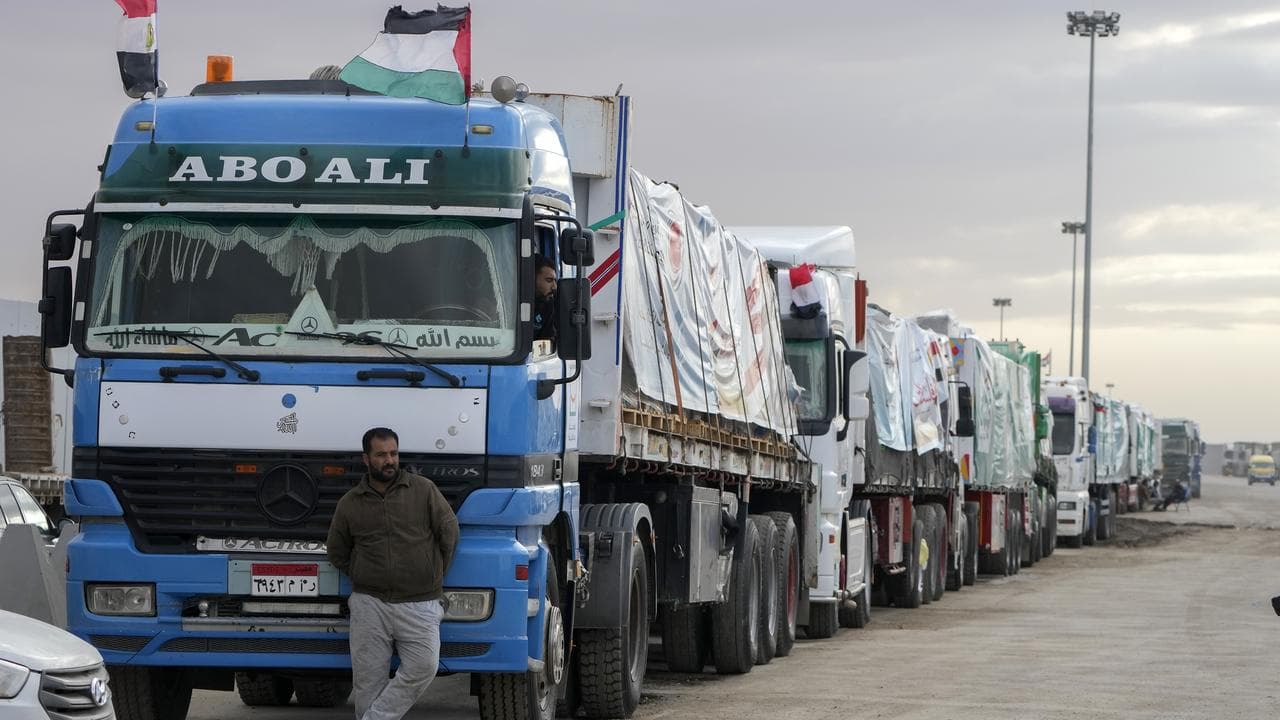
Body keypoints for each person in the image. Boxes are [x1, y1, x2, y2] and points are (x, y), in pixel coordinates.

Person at [327, 427, 460, 720]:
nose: (389, 460)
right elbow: (337, 551)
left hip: (420, 602)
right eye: (381, 455)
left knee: (425, 665)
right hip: (370, 604)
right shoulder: (350, 503)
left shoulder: (424, 490)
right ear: (366, 458)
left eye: (393, 453)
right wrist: (364, 572)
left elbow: (449, 532)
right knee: (368, 683)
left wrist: (431, 572)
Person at [533, 254, 558, 342]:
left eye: (555, 281)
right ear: (532, 278)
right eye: (549, 280)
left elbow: (547, 338)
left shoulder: (548, 305)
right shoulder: (509, 303)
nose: (554, 287)